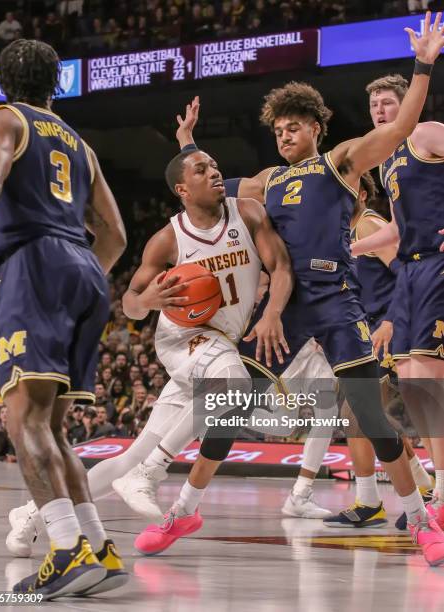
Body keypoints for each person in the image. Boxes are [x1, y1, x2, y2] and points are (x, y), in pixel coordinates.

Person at [137, 12, 444, 563]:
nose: (284, 135)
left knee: (371, 418)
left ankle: (421, 522)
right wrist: (185, 144)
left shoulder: (340, 162)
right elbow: (202, 186)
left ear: (315, 128)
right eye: (278, 130)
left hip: (337, 299)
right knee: (228, 407)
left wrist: (423, 64)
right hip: (281, 306)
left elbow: (397, 131)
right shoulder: (265, 182)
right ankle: (183, 511)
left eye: (294, 126)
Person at [4, 148, 294, 550]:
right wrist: (150, 300)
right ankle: (152, 472)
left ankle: (32, 514)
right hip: (182, 336)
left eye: (214, 165)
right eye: (201, 169)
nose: (215, 172)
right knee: (234, 384)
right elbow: (130, 305)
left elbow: (280, 266)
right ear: (182, 189)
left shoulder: (247, 213)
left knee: (129, 455)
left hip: (219, 343)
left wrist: (272, 313)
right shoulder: (168, 239)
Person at [0, 39, 127, 597]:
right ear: (56, 84)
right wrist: (81, 273)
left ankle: (65, 549)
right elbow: (116, 234)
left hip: (35, 263)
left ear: (1, 82)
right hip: (86, 270)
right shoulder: (81, 146)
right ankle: (97, 546)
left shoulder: (0, 119)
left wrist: (46, 271)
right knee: (50, 425)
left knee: (22, 420)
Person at [352, 69, 444, 528]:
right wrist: (350, 246)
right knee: (412, 388)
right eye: (374, 107)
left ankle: (443, 495)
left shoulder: (427, 133)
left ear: (407, 105)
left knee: (429, 382)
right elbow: (396, 229)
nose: (380, 112)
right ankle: (437, 489)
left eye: (387, 104)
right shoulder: (387, 162)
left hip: (435, 267)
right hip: (410, 268)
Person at [324, 173, 434, 528]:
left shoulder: (368, 224)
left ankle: (377, 500)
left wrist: (391, 320)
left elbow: (404, 270)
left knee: (368, 412)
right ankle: (417, 488)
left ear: (362, 193)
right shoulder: (343, 232)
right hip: (367, 328)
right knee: (370, 415)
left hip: (392, 326)